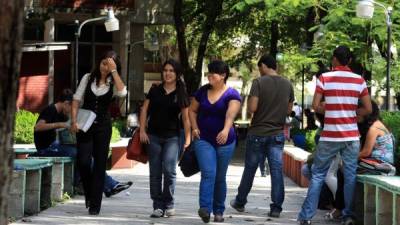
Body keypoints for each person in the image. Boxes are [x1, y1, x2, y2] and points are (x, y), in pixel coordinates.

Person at [297, 45, 372, 225]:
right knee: (350, 175)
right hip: (351, 137)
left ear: (334, 59)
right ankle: (347, 215)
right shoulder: (359, 81)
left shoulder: (325, 77)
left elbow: (316, 105)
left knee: (318, 175)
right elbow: (368, 109)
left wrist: (330, 107)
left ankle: (306, 217)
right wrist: (352, 112)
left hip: (330, 136)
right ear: (350, 61)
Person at [32, 89, 132, 198]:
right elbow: (38, 127)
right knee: (81, 154)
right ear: (66, 103)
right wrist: (61, 124)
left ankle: (107, 186)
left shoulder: (61, 113)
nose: (72, 112)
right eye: (72, 108)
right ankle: (106, 186)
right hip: (46, 148)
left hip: (56, 145)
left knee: (85, 152)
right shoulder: (50, 110)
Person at [230, 55, 294, 218]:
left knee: (250, 169)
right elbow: (288, 110)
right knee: (276, 171)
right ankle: (276, 208)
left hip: (258, 133)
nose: (259, 72)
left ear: (264, 66)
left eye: (260, 68)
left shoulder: (259, 82)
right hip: (277, 134)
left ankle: (240, 201)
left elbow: (252, 107)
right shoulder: (287, 84)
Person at [71, 50, 127, 215]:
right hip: (85, 126)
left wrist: (114, 71)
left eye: (109, 66)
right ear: (99, 62)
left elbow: (123, 93)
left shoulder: (113, 83)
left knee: (100, 166)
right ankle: (89, 193)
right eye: (104, 63)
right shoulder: (87, 78)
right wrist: (73, 121)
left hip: (103, 127)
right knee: (83, 161)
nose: (105, 68)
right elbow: (75, 100)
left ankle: (95, 205)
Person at [189, 60, 241, 223]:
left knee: (219, 176)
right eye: (209, 72)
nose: (210, 75)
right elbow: (192, 110)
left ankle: (219, 210)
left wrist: (225, 130)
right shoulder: (202, 91)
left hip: (225, 141)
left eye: (214, 73)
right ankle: (205, 208)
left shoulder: (232, 94)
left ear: (223, 75)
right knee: (208, 173)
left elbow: (230, 115)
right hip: (203, 138)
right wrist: (194, 127)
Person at [139, 59, 191, 218]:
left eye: (171, 71)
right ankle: (157, 205)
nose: (168, 73)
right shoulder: (155, 90)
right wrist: (142, 130)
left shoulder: (181, 92)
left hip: (172, 138)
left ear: (177, 74)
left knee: (169, 170)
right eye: (165, 70)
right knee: (155, 172)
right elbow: (144, 110)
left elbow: (186, 118)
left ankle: (169, 203)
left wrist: (188, 138)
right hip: (153, 136)